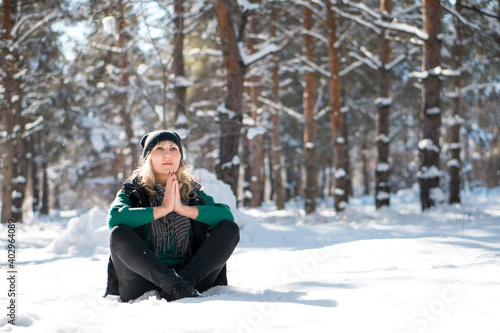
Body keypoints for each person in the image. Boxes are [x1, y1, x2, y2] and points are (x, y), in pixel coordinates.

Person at [104, 130, 240, 302]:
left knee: (229, 229)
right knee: (119, 233)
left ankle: (180, 285)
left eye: (173, 149)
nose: (167, 154)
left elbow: (226, 216)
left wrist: (182, 208)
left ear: (180, 158)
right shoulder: (133, 191)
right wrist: (163, 209)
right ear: (148, 158)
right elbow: (114, 218)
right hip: (143, 281)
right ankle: (174, 286)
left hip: (191, 279)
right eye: (159, 148)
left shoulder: (193, 191)